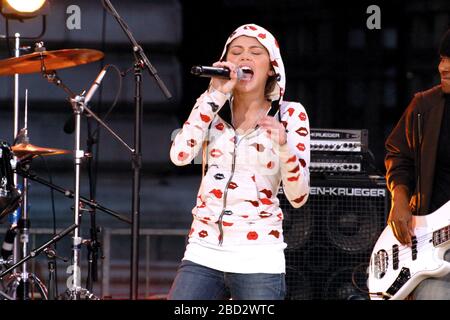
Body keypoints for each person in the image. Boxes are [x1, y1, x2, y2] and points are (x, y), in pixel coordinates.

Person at [168, 23, 310, 300]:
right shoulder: (213, 108)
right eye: (236, 52)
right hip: (203, 249)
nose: (244, 58)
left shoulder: (290, 114)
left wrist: (283, 146)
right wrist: (214, 95)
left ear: (271, 67)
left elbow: (299, 196)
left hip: (258, 257)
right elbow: (180, 156)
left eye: (255, 52)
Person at [385, 28, 450, 300]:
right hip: (430, 243)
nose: (443, 67)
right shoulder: (425, 105)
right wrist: (400, 200)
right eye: (442, 58)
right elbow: (398, 156)